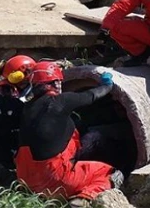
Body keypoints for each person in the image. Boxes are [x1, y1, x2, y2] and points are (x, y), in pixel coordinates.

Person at [15, 62, 123, 208]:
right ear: (55, 83)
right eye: (59, 82)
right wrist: (107, 85)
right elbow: (91, 95)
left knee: (88, 136)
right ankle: (82, 199)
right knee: (112, 174)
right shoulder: (60, 101)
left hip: (25, 179)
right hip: (55, 179)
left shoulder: (27, 108)